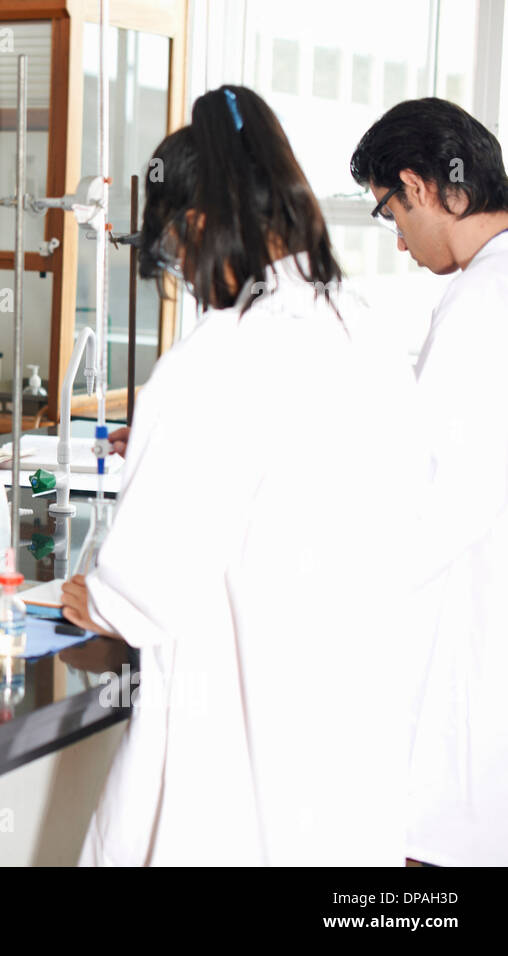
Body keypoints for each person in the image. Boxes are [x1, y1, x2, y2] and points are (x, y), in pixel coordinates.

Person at [58, 85, 427, 865]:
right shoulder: (360, 323)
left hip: (240, 754)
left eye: (173, 254)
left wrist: (83, 597)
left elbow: (140, 593)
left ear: (195, 225)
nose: (183, 274)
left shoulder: (220, 356)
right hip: (353, 742)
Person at [350, 97, 508, 867]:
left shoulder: (481, 299)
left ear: (418, 186)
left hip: (473, 631)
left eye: (388, 212)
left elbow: (434, 500)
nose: (403, 243)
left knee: (436, 849)